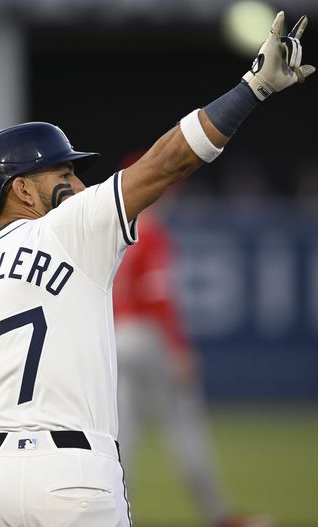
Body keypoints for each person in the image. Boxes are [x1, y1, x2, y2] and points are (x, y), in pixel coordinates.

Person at [0, 11, 313, 526]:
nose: (79, 186)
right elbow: (168, 162)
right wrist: (252, 89)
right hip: (74, 478)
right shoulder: (71, 230)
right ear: (21, 188)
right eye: (63, 173)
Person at [112, 172, 267, 527]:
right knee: (184, 429)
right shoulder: (152, 234)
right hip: (148, 338)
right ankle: (220, 517)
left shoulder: (118, 237)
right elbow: (159, 300)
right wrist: (178, 349)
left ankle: (113, 518)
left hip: (115, 340)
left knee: (121, 441)